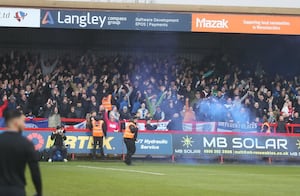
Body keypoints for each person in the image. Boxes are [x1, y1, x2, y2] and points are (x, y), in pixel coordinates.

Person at [0, 109, 42, 196]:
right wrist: (39, 192)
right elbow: (35, 172)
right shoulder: (26, 144)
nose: (24, 125)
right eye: (22, 121)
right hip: (17, 190)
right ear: (15, 122)